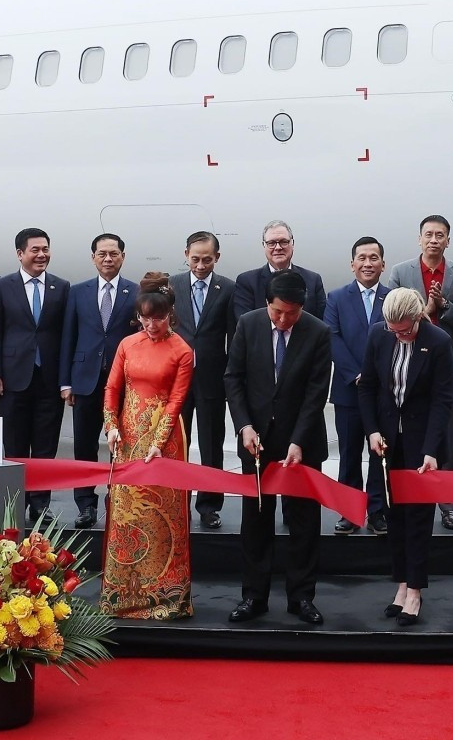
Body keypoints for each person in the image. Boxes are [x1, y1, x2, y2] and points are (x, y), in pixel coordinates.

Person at [224, 270, 333, 625]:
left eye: (291, 313)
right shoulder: (249, 324)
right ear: (266, 304)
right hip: (257, 441)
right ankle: (253, 596)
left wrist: (298, 441)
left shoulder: (317, 331)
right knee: (255, 521)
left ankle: (302, 597)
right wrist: (244, 425)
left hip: (301, 442)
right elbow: (233, 378)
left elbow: (317, 391)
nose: (284, 320)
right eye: (277, 312)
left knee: (303, 522)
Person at [359, 288, 453, 626]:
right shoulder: (379, 334)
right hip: (386, 441)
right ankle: (400, 584)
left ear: (417, 318)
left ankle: (415, 589)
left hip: (421, 444)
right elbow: (367, 386)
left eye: (404, 330)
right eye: (392, 329)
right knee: (393, 515)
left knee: (417, 518)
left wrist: (432, 450)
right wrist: (372, 430)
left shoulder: (438, 341)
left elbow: (443, 400)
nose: (398, 335)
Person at [101, 272, 196, 619]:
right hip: (126, 436)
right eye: (145, 317)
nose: (151, 324)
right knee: (127, 513)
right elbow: (112, 388)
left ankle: (166, 597)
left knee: (163, 516)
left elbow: (176, 401)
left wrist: (158, 441)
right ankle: (123, 595)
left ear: (171, 312)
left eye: (159, 317)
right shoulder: (127, 344)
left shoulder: (182, 350)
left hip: (164, 439)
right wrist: (111, 426)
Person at [382, 214, 453, 530]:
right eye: (429, 234)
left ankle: (449, 505)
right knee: (409, 439)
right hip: (406, 367)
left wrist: (442, 306)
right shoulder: (401, 272)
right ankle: (409, 499)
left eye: (440, 235)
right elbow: (389, 312)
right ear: (419, 238)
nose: (434, 239)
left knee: (448, 439)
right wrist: (422, 312)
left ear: (448, 239)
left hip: (447, 367)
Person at [0, 228, 70, 524]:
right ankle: (15, 502)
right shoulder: (2, 286)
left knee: (46, 445)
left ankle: (40, 503)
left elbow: (65, 335)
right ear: (20, 253)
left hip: (48, 377)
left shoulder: (61, 287)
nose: (41, 254)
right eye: (35, 250)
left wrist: (66, 380)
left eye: (45, 249)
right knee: (16, 444)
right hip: (13, 377)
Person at [59, 233, 137, 528]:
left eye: (114, 254)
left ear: (122, 257)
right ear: (93, 257)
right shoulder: (78, 292)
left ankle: (121, 500)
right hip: (85, 380)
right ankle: (85, 505)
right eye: (102, 254)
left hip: (124, 382)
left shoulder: (135, 291)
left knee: (124, 444)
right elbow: (69, 337)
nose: (108, 259)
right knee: (85, 445)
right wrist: (66, 382)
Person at [173, 231, 239, 529]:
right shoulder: (172, 285)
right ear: (186, 254)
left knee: (212, 444)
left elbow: (233, 335)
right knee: (177, 444)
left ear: (218, 257)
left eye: (208, 260)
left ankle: (210, 506)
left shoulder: (227, 288)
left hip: (212, 377)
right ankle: (177, 503)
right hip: (178, 378)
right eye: (196, 259)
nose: (201, 265)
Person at [324, 236, 389, 535]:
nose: (368, 263)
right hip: (349, 390)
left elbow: (397, 338)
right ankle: (349, 511)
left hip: (383, 392)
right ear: (352, 264)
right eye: (362, 257)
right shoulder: (336, 298)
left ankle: (377, 511)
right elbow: (332, 338)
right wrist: (357, 374)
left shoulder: (392, 297)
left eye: (373, 257)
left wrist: (375, 376)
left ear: (382, 264)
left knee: (379, 454)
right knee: (349, 453)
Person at [232, 219, 328, 319]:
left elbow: (321, 323)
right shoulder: (247, 282)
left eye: (284, 242)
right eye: (271, 243)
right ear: (264, 245)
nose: (278, 247)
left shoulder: (312, 280)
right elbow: (245, 324)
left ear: (292, 244)